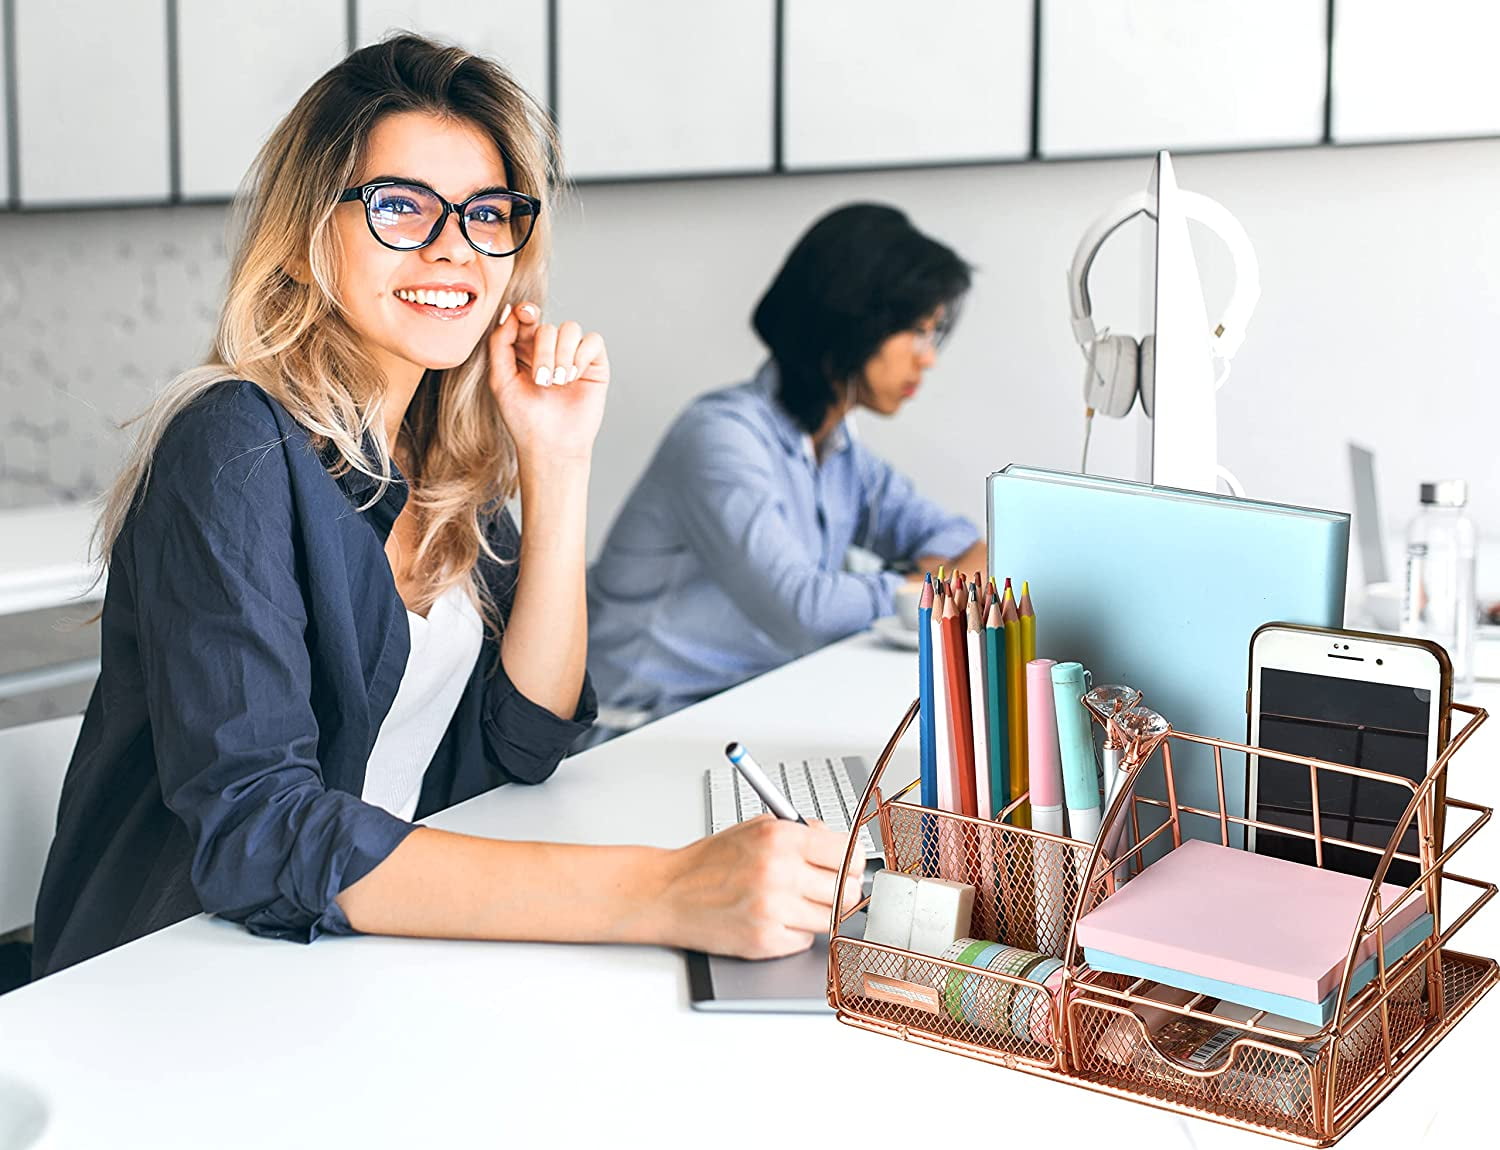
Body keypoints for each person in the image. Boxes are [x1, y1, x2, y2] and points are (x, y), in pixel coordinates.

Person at [33, 35, 857, 978]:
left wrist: (557, 461)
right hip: (175, 978)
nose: (453, 247)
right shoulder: (234, 443)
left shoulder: (437, 452)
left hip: (351, 958)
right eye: (400, 207)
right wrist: (664, 891)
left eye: (486, 214)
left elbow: (525, 737)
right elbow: (259, 830)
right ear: (306, 239)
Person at [586, 204, 985, 738]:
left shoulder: (839, 450)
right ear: (853, 319)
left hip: (746, 709)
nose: (927, 358)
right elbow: (804, 610)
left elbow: (965, 545)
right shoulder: (720, 437)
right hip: (636, 730)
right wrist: (928, 586)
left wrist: (931, 582)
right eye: (915, 331)